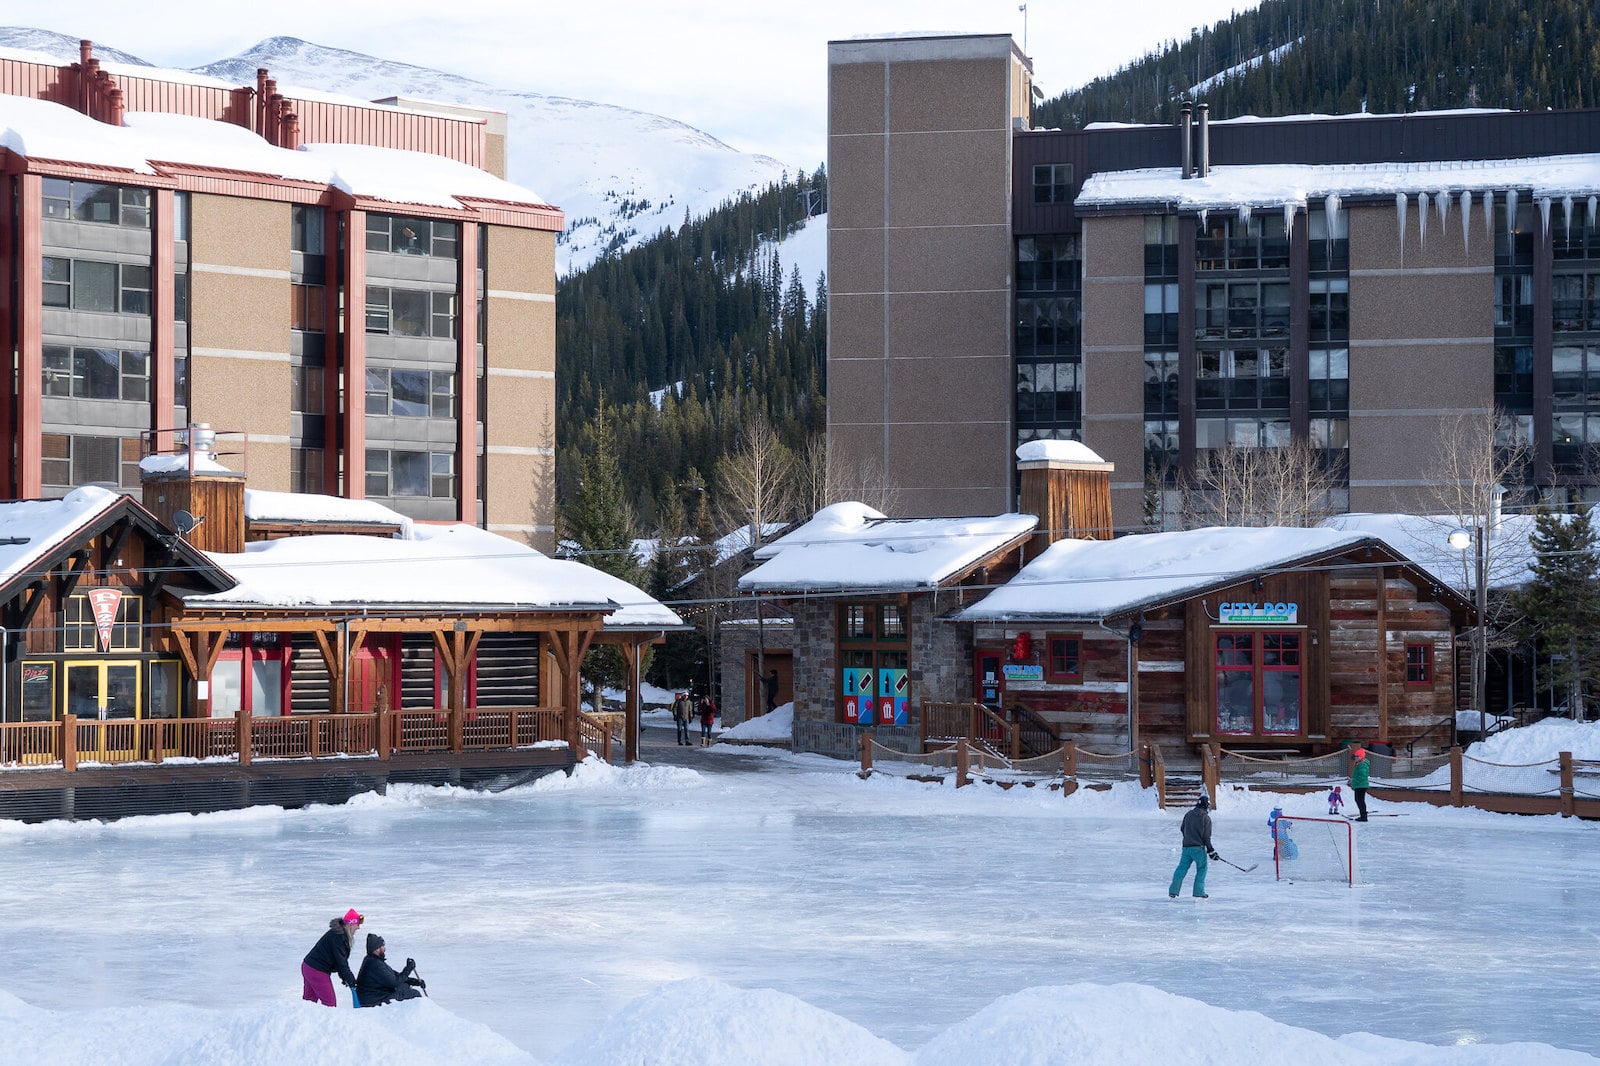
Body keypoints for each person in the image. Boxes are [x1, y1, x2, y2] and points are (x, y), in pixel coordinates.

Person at [302, 909, 362, 1006]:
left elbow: (339, 961)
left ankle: (304, 1020)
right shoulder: (339, 937)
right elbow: (341, 962)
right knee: (329, 1004)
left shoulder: (340, 935)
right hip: (317, 970)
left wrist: (344, 977)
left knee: (309, 1003)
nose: (358, 927)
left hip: (308, 966)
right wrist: (351, 980)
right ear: (351, 924)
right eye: (357, 924)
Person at [355, 933, 425, 1008]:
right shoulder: (375, 964)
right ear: (377, 948)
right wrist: (408, 969)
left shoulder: (372, 960)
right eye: (382, 946)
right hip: (373, 1000)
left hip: (373, 996)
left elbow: (393, 975)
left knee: (405, 986)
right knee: (414, 994)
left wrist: (412, 981)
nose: (384, 948)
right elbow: (394, 983)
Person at [1168, 795, 1218, 898]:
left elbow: (1182, 829)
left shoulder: (1188, 814)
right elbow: (1206, 837)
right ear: (1205, 806)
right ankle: (1198, 892)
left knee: (1181, 869)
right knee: (1202, 868)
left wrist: (1188, 838)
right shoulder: (1206, 818)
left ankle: (1173, 891)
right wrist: (1211, 850)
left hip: (1186, 847)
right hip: (1198, 848)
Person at [1349, 746, 1371, 821]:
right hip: (1359, 785)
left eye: (1357, 756)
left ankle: (1363, 816)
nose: (1356, 758)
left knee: (1360, 800)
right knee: (1358, 800)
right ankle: (1363, 814)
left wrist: (1356, 781)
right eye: (1356, 757)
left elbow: (1363, 775)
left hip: (1361, 785)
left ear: (1361, 757)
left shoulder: (1362, 765)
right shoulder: (1359, 763)